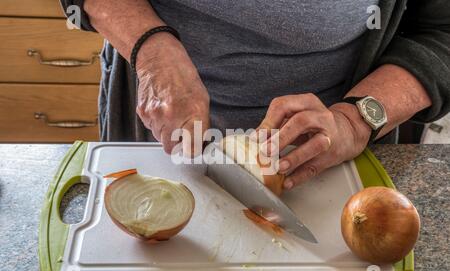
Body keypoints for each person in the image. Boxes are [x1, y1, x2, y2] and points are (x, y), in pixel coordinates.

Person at [61, 0, 449, 189]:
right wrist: (152, 50)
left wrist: (355, 119)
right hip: (159, 134)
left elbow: (442, 31)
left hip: (339, 156)